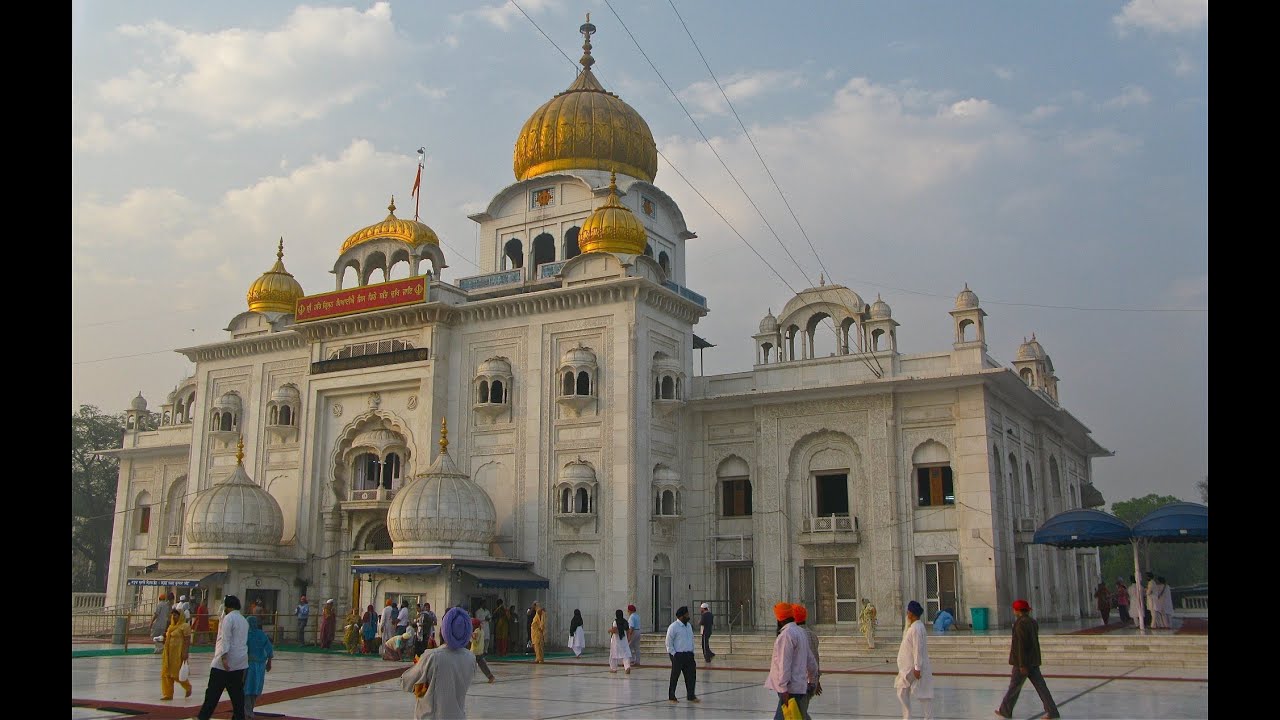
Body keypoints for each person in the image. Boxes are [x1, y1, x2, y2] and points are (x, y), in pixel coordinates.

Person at [400, 606, 477, 720]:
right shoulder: (470, 658)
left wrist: (419, 665)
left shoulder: (433, 656)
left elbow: (406, 683)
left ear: (444, 629)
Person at [994, 599, 1060, 719]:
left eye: (1014, 609)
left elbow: (1021, 645)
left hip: (1023, 663)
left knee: (1013, 687)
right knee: (1041, 687)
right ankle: (1052, 711)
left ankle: (1005, 710)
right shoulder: (1032, 622)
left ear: (1018, 611)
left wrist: (1022, 665)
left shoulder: (1020, 624)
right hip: (1033, 660)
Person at [196, 595, 249, 720]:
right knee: (237, 696)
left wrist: (224, 657)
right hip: (240, 662)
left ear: (227, 606)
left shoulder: (229, 618)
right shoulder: (243, 620)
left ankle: (203, 717)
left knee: (212, 694)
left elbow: (226, 639)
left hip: (224, 664)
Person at [764, 602, 814, 720]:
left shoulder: (786, 635)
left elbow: (784, 664)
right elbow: (811, 660)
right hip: (799, 685)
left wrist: (783, 688)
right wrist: (813, 679)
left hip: (789, 688)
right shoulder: (801, 632)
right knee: (797, 715)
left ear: (780, 620)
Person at [895, 600, 934, 720]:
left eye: (908, 612)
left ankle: (926, 717)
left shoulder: (916, 629)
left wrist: (917, 668)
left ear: (911, 614)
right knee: (903, 692)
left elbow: (917, 648)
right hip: (909, 667)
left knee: (922, 693)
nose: (907, 614)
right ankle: (908, 717)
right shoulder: (915, 627)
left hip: (913, 667)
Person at [792, 604, 822, 720]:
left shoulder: (795, 635)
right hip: (809, 683)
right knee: (800, 713)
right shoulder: (813, 635)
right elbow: (815, 659)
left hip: (799, 683)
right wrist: (816, 681)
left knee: (798, 713)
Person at [665, 606, 699, 703]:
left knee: (691, 676)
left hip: (688, 655)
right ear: (681, 616)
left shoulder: (688, 626)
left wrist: (692, 651)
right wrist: (674, 654)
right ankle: (672, 696)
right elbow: (668, 642)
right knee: (675, 676)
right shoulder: (673, 627)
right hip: (678, 655)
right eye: (686, 614)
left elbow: (691, 639)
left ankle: (691, 695)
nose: (688, 616)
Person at [244, 615, 274, 720]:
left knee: (248, 688)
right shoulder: (261, 634)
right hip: (260, 666)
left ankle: (247, 711)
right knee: (255, 688)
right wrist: (269, 662)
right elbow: (269, 648)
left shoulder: (247, 635)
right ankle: (250, 709)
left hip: (249, 665)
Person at [159, 608, 192, 700]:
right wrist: (163, 640)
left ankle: (188, 687)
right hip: (168, 653)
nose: (174, 617)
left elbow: (187, 640)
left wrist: (185, 652)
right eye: (173, 615)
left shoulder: (184, 626)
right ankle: (168, 694)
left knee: (176, 674)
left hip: (178, 653)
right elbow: (167, 638)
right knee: (166, 673)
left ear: (180, 616)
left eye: (176, 615)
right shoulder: (170, 627)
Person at [470, 618, 496, 682]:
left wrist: (470, 636)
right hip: (480, 651)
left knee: (468, 665)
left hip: (474, 652)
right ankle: (490, 676)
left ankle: (464, 678)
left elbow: (475, 641)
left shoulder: (476, 632)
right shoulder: (482, 631)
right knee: (483, 665)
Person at [608, 609, 633, 673]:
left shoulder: (615, 622)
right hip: (624, 640)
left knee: (613, 654)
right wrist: (629, 637)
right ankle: (627, 667)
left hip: (616, 640)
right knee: (625, 654)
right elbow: (628, 630)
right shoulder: (625, 621)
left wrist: (610, 630)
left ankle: (613, 668)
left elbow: (615, 631)